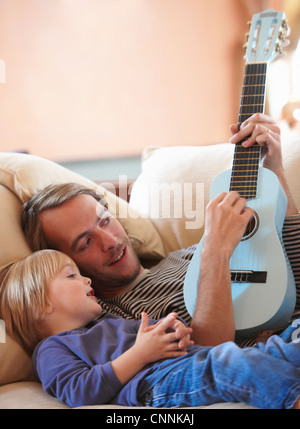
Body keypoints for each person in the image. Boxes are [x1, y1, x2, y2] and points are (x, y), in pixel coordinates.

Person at [21, 114, 300, 347]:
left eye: (104, 220)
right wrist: (216, 251)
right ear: (67, 262)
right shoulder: (114, 321)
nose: (109, 241)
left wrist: (274, 171)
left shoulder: (187, 255)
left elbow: (289, 275)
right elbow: (206, 356)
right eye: (85, 243)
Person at [1, 249, 300, 409]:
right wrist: (141, 354)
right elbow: (79, 391)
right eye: (72, 276)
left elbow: (156, 331)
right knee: (230, 365)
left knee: (284, 341)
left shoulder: (108, 322)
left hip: (188, 359)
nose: (87, 280)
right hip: (156, 385)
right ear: (42, 305)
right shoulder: (51, 350)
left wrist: (176, 330)